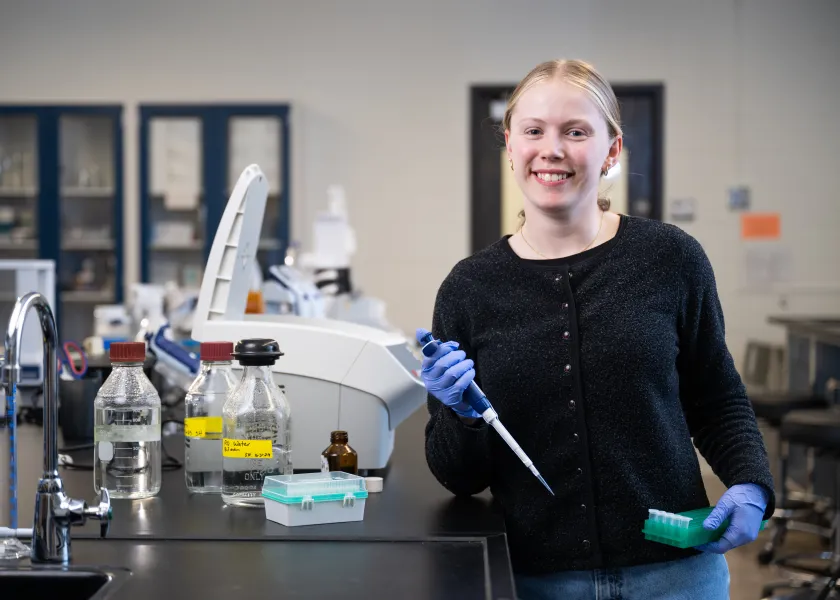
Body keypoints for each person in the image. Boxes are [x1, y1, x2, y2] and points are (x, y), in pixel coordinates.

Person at [416, 58, 775, 600]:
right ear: (511, 145)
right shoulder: (470, 289)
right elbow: (459, 478)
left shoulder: (670, 258)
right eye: (534, 131)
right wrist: (462, 418)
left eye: (576, 131)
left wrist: (750, 485)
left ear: (612, 150)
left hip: (676, 574)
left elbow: (717, 398)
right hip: (536, 581)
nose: (552, 149)